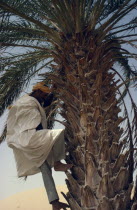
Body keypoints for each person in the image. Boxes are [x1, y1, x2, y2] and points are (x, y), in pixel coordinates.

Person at [6, 82, 72, 210]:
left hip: (31, 142)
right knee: (59, 133)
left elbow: (45, 104)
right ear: (38, 91)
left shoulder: (31, 102)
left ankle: (54, 203)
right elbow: (31, 120)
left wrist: (53, 92)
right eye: (44, 95)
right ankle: (58, 163)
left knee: (45, 169)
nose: (44, 98)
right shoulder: (28, 102)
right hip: (33, 138)